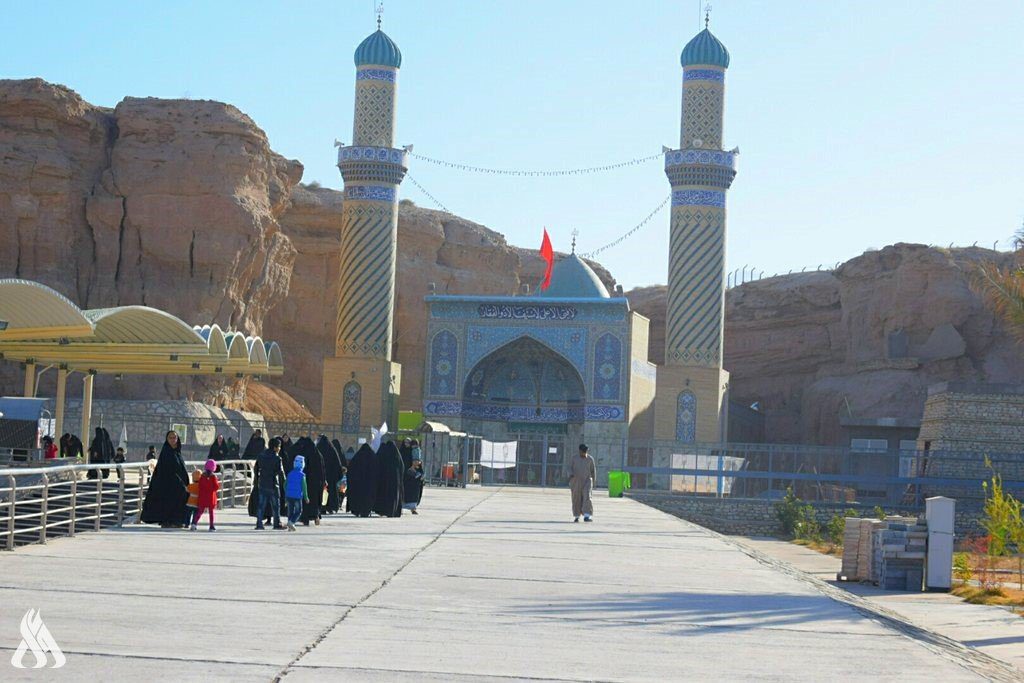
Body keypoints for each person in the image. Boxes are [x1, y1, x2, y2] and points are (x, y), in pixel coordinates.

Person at [141, 431, 189, 528]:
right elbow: (167, 469)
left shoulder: (177, 451)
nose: (172, 440)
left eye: (174, 437)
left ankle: (177, 521)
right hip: (168, 483)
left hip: (176, 483)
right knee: (171, 500)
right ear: (167, 439)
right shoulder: (167, 452)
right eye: (170, 438)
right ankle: (168, 521)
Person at [254, 438, 285, 530]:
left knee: (261, 505)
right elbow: (281, 473)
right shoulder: (277, 458)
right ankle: (277, 523)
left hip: (263, 483)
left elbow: (256, 469)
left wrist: (257, 480)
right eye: (279, 447)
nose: (280, 448)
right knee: (275, 506)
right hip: (273, 485)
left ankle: (259, 524)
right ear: (275, 447)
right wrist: (285, 484)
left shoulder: (261, 455)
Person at [295, 437, 325, 526]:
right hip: (316, 483)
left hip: (305, 481)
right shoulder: (318, 454)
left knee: (305, 500)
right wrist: (323, 481)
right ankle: (316, 517)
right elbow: (322, 469)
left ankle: (305, 519)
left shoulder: (302, 453)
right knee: (315, 501)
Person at [373, 440, 405, 518]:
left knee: (383, 495)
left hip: (383, 480)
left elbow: (376, 466)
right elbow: (402, 467)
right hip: (395, 481)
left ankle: (382, 511)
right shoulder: (397, 456)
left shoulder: (382, 454)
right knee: (393, 496)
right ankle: (393, 511)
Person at [346, 443, 377, 518]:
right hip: (369, 484)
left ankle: (357, 510)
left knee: (358, 496)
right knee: (368, 497)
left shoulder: (357, 457)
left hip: (358, 484)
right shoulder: (373, 457)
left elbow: (350, 471)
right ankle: (366, 511)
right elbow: (377, 471)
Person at [569, 444, 596, 523]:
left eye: (586, 451)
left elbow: (593, 471)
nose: (584, 453)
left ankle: (587, 515)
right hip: (576, 481)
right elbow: (569, 468)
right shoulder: (574, 458)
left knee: (587, 497)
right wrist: (571, 475)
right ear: (580, 451)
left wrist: (593, 482)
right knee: (576, 498)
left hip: (587, 481)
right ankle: (576, 516)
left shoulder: (590, 459)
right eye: (583, 451)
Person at [191, 459, 220, 531]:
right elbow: (216, 487)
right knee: (211, 512)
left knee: (200, 511)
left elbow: (200, 486)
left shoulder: (202, 476)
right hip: (211, 497)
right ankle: (211, 526)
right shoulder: (213, 477)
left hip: (203, 497)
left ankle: (194, 523)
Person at [318, 436, 343, 514]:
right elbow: (337, 463)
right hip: (331, 477)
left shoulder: (318, 449)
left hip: (321, 476)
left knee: (322, 491)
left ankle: (322, 507)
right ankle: (330, 507)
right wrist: (337, 475)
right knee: (331, 491)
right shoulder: (332, 450)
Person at [285, 454, 309, 531]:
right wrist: (306, 497)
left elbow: (285, 484)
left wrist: (287, 492)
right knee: (298, 511)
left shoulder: (289, 474)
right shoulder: (302, 475)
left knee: (290, 511)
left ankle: (290, 526)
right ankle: (292, 522)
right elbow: (304, 487)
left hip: (289, 496)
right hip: (297, 496)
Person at [403, 450, 425, 515]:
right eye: (414, 461)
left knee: (414, 498)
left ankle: (413, 509)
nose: (415, 462)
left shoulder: (420, 469)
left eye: (417, 461)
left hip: (416, 488)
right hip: (409, 486)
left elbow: (421, 477)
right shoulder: (409, 469)